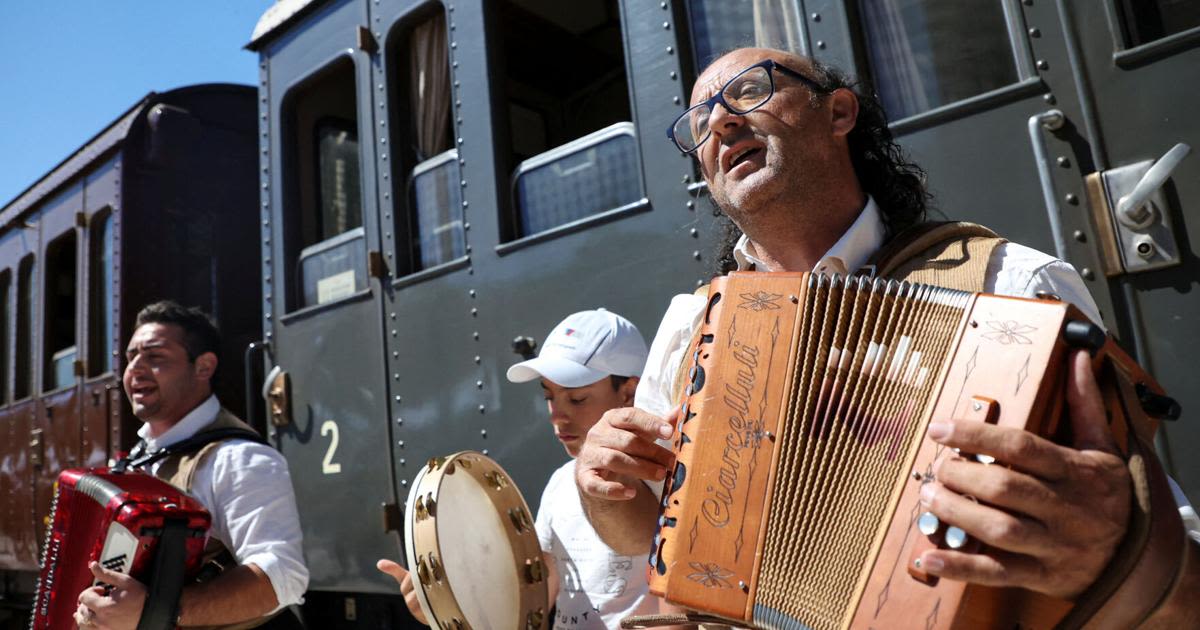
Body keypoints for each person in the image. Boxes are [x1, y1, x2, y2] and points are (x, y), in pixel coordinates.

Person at [573, 48, 1199, 625]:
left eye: (748, 90)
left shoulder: (1010, 282)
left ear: (839, 111)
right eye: (699, 123)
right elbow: (643, 531)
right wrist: (600, 486)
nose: (720, 124)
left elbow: (1165, 542)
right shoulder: (692, 325)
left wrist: (1121, 552)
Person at [378, 309, 666, 629]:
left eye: (578, 399)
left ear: (628, 391)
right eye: (549, 396)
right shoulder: (560, 483)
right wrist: (441, 606)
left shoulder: (664, 480)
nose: (557, 415)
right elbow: (532, 607)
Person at [75, 301, 308, 629]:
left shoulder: (239, 459)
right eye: (131, 358)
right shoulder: (137, 461)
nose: (135, 370)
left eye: (155, 357)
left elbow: (283, 574)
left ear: (204, 367)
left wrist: (157, 612)